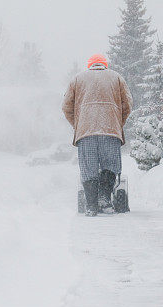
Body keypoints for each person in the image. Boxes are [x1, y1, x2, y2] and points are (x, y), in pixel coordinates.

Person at [62, 54, 133, 216]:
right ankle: (105, 199)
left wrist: (79, 126)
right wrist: (117, 123)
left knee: (89, 168)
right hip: (110, 131)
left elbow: (66, 107)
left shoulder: (77, 79)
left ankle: (91, 206)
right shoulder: (116, 78)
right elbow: (127, 104)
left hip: (86, 134)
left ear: (90, 65)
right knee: (110, 165)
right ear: (104, 65)